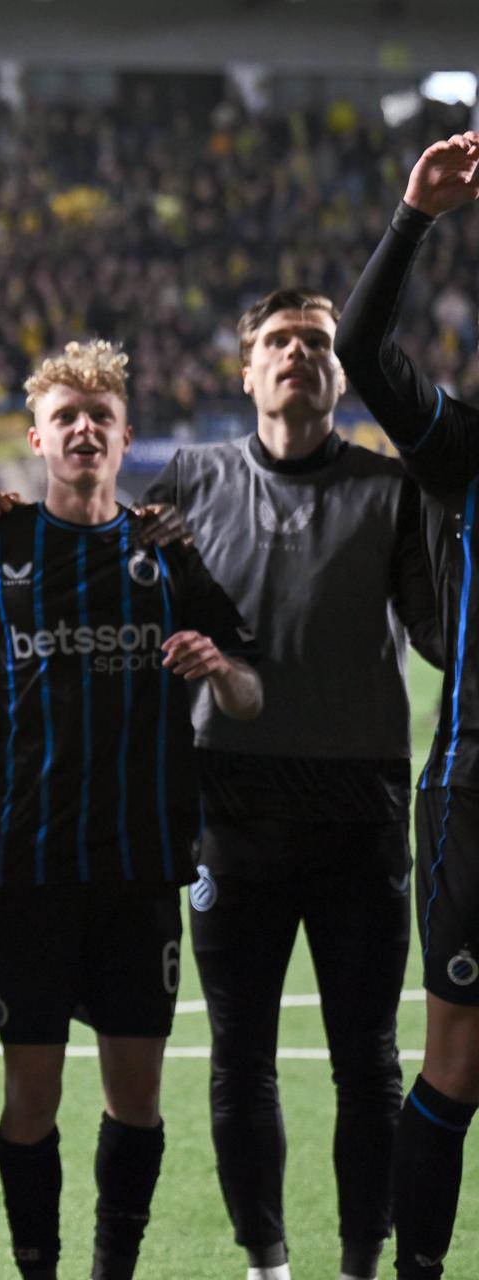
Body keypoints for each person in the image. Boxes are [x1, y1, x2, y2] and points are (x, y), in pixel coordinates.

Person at [140, 288, 439, 1280]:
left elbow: (441, 631)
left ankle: (360, 1262)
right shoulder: (191, 477)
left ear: (340, 372)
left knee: (369, 1062)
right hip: (233, 805)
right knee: (240, 1059)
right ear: (246, 369)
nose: (300, 354)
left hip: (359, 808)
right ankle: (268, 1263)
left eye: (317, 341)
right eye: (278, 341)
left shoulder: (392, 488)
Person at [0, 340, 263, 1280]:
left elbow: (251, 691)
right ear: (38, 439)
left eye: (101, 416)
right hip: (30, 869)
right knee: (31, 1097)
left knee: (136, 1097)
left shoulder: (166, 552)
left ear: (126, 439)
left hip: (138, 868)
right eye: (65, 416)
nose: (84, 428)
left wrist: (222, 673)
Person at [335, 127, 479, 1280]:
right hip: (477, 787)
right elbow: (359, 344)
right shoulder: (463, 448)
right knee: (457, 1058)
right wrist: (415, 215)